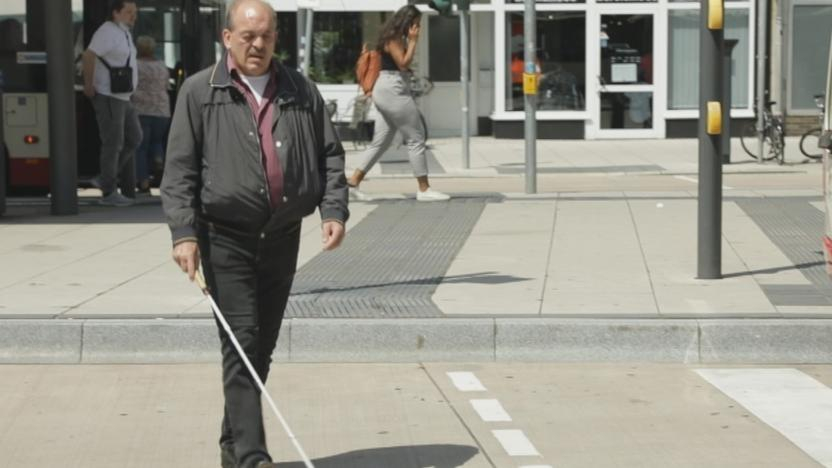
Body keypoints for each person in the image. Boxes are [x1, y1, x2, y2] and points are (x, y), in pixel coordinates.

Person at [160, 1, 348, 467]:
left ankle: (232, 445)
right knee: (241, 341)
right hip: (223, 237)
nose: (257, 44)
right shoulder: (200, 91)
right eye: (246, 36)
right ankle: (251, 456)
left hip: (282, 236)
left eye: (265, 35)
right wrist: (183, 233)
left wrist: (334, 210)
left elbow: (330, 154)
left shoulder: (300, 89)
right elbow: (179, 169)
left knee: (260, 346)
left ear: (275, 37)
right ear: (227, 38)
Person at [347, 5, 449, 202]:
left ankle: (352, 183)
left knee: (382, 141)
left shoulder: (393, 37)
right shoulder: (393, 38)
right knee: (416, 137)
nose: (418, 28)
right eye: (416, 24)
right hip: (392, 89)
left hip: (389, 88)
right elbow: (403, 63)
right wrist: (412, 41)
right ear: (407, 22)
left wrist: (410, 41)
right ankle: (424, 189)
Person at [82, 0, 141, 206]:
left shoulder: (123, 31)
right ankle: (109, 192)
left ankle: (105, 177)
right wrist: (88, 84)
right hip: (109, 95)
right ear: (115, 13)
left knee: (134, 137)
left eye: (135, 12)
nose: (133, 16)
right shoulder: (107, 31)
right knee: (113, 143)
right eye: (129, 12)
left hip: (123, 96)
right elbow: (89, 55)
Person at [132, 35, 171, 193]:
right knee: (157, 143)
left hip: (141, 110)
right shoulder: (162, 65)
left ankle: (143, 182)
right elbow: (167, 85)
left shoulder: (135, 65)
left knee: (141, 147)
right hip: (162, 110)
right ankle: (158, 159)